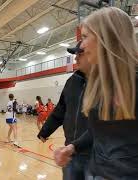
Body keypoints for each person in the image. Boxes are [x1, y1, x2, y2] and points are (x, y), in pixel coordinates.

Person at [54, 7, 138, 179]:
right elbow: (97, 131)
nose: (81, 46)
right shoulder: (98, 83)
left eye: (85, 37)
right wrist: (73, 147)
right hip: (96, 174)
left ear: (106, 38)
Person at [38, 41, 91, 180]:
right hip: (71, 152)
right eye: (75, 54)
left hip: (96, 156)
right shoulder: (71, 82)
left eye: (80, 53)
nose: (75, 58)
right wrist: (45, 131)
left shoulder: (104, 82)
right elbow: (61, 109)